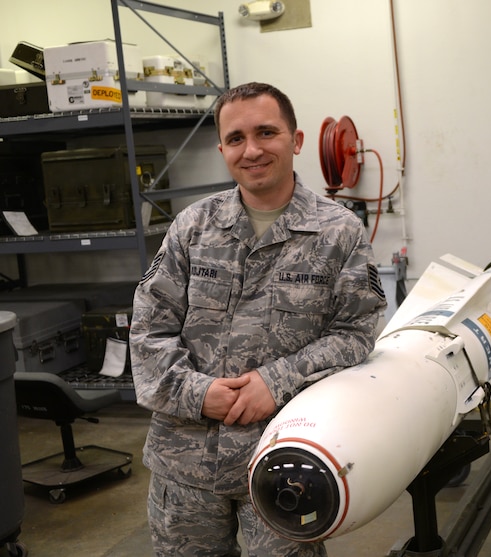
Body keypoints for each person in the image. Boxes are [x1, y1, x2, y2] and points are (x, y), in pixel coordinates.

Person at [130, 82, 387, 557]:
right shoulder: (192, 227)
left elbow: (355, 333)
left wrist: (277, 381)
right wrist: (197, 392)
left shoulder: (339, 233)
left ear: (296, 139)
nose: (251, 150)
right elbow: (148, 329)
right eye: (236, 138)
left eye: (266, 132)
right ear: (222, 149)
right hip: (184, 464)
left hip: (284, 459)